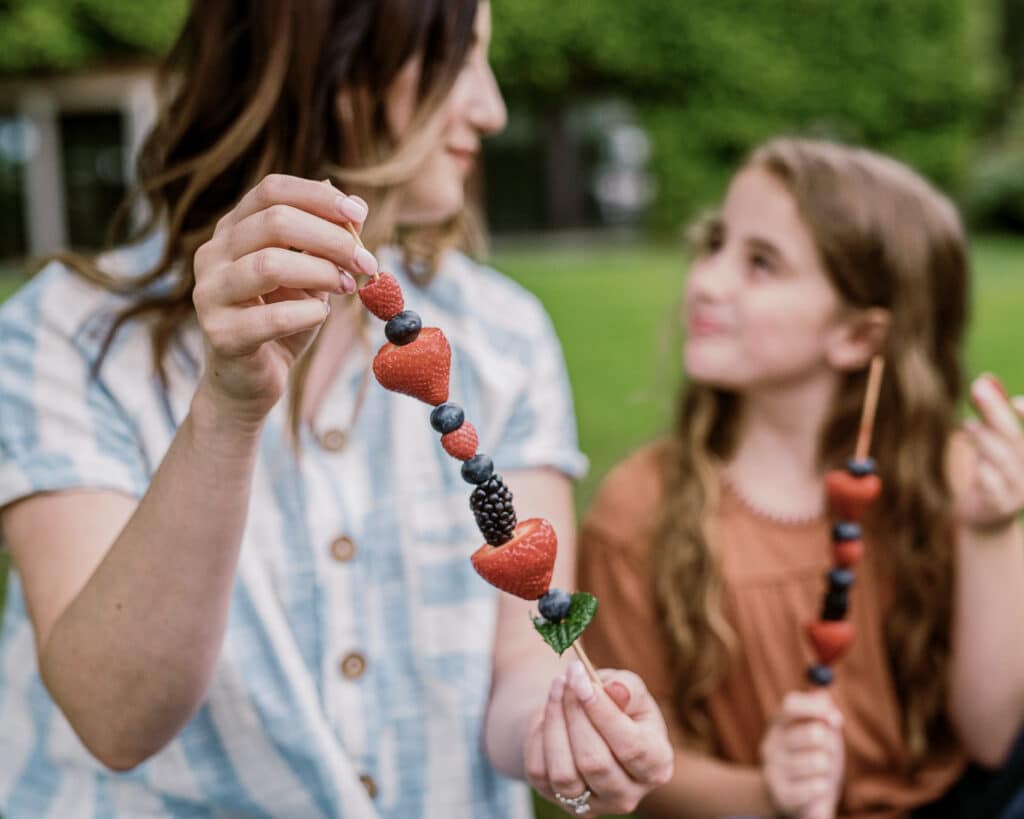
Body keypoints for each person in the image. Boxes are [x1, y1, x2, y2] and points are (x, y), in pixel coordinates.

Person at [0, 2, 673, 816]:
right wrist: (226, 409)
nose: (492, 110)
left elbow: (520, 666)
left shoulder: (506, 335)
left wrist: (567, 727)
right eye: (459, 62)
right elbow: (114, 717)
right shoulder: (63, 334)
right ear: (341, 64)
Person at [578, 138, 1024, 819]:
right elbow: (631, 763)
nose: (705, 279)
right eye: (716, 243)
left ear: (859, 336)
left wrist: (992, 531)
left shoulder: (952, 484)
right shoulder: (639, 509)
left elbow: (993, 738)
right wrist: (763, 794)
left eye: (761, 263)